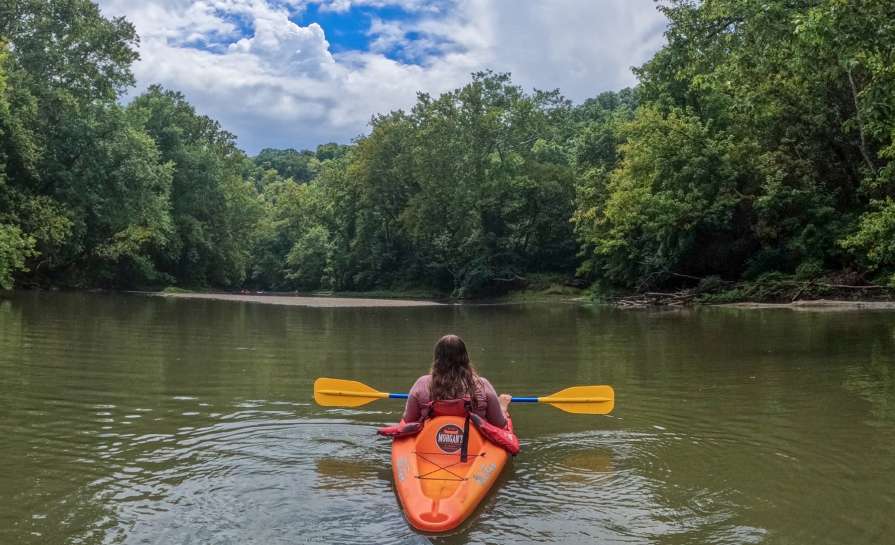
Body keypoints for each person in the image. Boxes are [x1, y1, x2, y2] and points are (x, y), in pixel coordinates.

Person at [402, 334, 511, 428]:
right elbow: (500, 424)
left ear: (437, 358)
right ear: (465, 358)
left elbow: (409, 420)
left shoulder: (422, 383)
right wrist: (502, 406)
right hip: (474, 447)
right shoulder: (482, 385)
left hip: (431, 446)